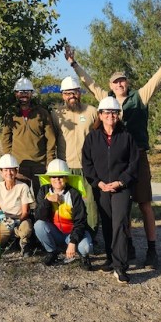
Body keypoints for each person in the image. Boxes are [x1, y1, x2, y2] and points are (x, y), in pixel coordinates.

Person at [68, 34, 161, 268]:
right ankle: (126, 247)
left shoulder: (139, 98)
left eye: (122, 81)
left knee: (144, 204)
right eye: (115, 82)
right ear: (110, 86)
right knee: (122, 208)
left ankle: (152, 249)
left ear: (127, 83)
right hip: (116, 160)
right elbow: (90, 83)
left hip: (138, 157)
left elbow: (156, 79)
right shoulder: (106, 100)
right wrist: (74, 64)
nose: (119, 84)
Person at [82, 97, 139, 284]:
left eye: (114, 112)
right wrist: (98, 183)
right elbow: (87, 164)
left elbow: (134, 163)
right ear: (100, 115)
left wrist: (121, 182)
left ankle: (120, 267)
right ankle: (111, 258)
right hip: (101, 188)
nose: (111, 115)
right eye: (106, 112)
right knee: (107, 223)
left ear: (118, 115)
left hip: (121, 188)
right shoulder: (92, 137)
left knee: (120, 223)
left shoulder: (126, 136)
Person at [51, 75, 99, 234]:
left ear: (80, 92)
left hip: (88, 166)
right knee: (67, 203)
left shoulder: (92, 111)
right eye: (67, 93)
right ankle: (68, 235)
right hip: (66, 167)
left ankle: (91, 235)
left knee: (90, 203)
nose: (72, 96)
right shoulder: (57, 114)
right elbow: (52, 139)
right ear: (62, 95)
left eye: (75, 92)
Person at [34, 159, 93, 270]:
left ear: (66, 178)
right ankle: (52, 252)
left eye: (61, 176)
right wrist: (47, 201)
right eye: (54, 176)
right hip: (55, 232)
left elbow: (81, 221)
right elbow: (38, 216)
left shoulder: (74, 194)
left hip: (72, 232)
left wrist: (73, 241)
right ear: (49, 178)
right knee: (38, 225)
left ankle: (84, 257)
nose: (57, 179)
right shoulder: (43, 191)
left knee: (86, 247)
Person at [1, 77, 58, 192]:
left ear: (31, 94)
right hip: (19, 165)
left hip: (40, 164)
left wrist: (50, 160)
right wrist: (10, 160)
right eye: (20, 92)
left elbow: (51, 139)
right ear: (16, 94)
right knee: (19, 197)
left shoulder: (42, 113)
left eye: (27, 92)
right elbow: (5, 138)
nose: (24, 95)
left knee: (42, 197)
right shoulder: (11, 114)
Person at [0, 154, 35, 256]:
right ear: (1, 172)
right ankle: (7, 239)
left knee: (26, 228)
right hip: (5, 222)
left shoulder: (23, 187)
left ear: (16, 171)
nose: (9, 173)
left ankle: (24, 243)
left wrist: (17, 221)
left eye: (12, 170)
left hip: (20, 220)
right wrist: (2, 218)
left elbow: (25, 211)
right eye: (5, 170)